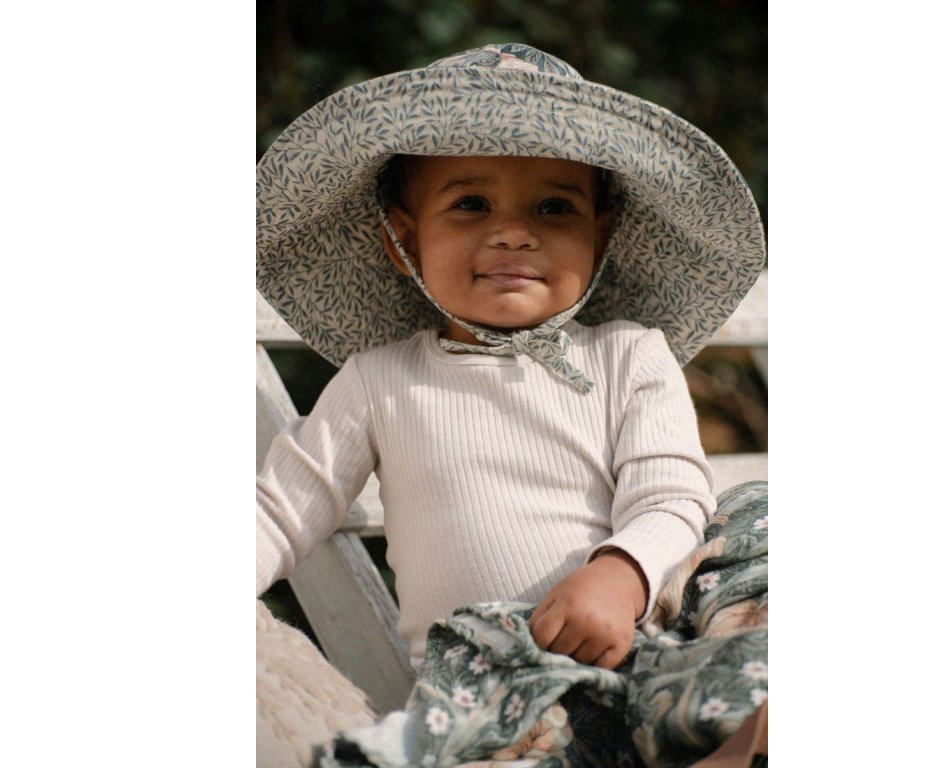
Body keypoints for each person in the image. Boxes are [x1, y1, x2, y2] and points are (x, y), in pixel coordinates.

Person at [256, 43, 765, 676]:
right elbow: (279, 511)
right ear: (403, 240)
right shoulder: (379, 381)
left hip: (641, 656)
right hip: (484, 684)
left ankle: (742, 716)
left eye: (555, 208)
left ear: (600, 234)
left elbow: (670, 498)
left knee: (759, 514)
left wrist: (620, 574)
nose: (515, 233)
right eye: (471, 204)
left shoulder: (630, 356)